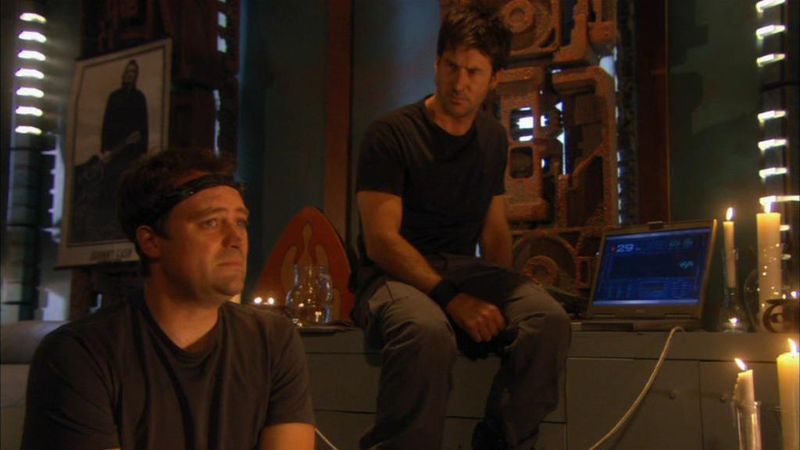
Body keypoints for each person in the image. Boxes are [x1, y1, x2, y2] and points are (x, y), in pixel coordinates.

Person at [352, 6, 571, 450]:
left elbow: (494, 231)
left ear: (494, 79)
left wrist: (503, 294)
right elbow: (381, 241)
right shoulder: (390, 134)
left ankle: (499, 443)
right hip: (392, 275)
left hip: (461, 268)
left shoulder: (492, 138)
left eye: (473, 72)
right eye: (451, 66)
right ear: (436, 64)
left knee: (548, 319)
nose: (459, 83)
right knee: (425, 332)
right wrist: (454, 300)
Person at [23, 148, 316, 450]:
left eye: (240, 222)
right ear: (151, 241)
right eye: (211, 223)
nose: (235, 239)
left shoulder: (272, 340)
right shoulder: (80, 354)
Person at [71, 59, 149, 243]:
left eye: (133, 72)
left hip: (132, 152)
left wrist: (141, 150)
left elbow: (143, 127)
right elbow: (107, 124)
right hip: (113, 150)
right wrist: (106, 150)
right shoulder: (115, 97)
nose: (129, 75)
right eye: (128, 72)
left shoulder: (139, 97)